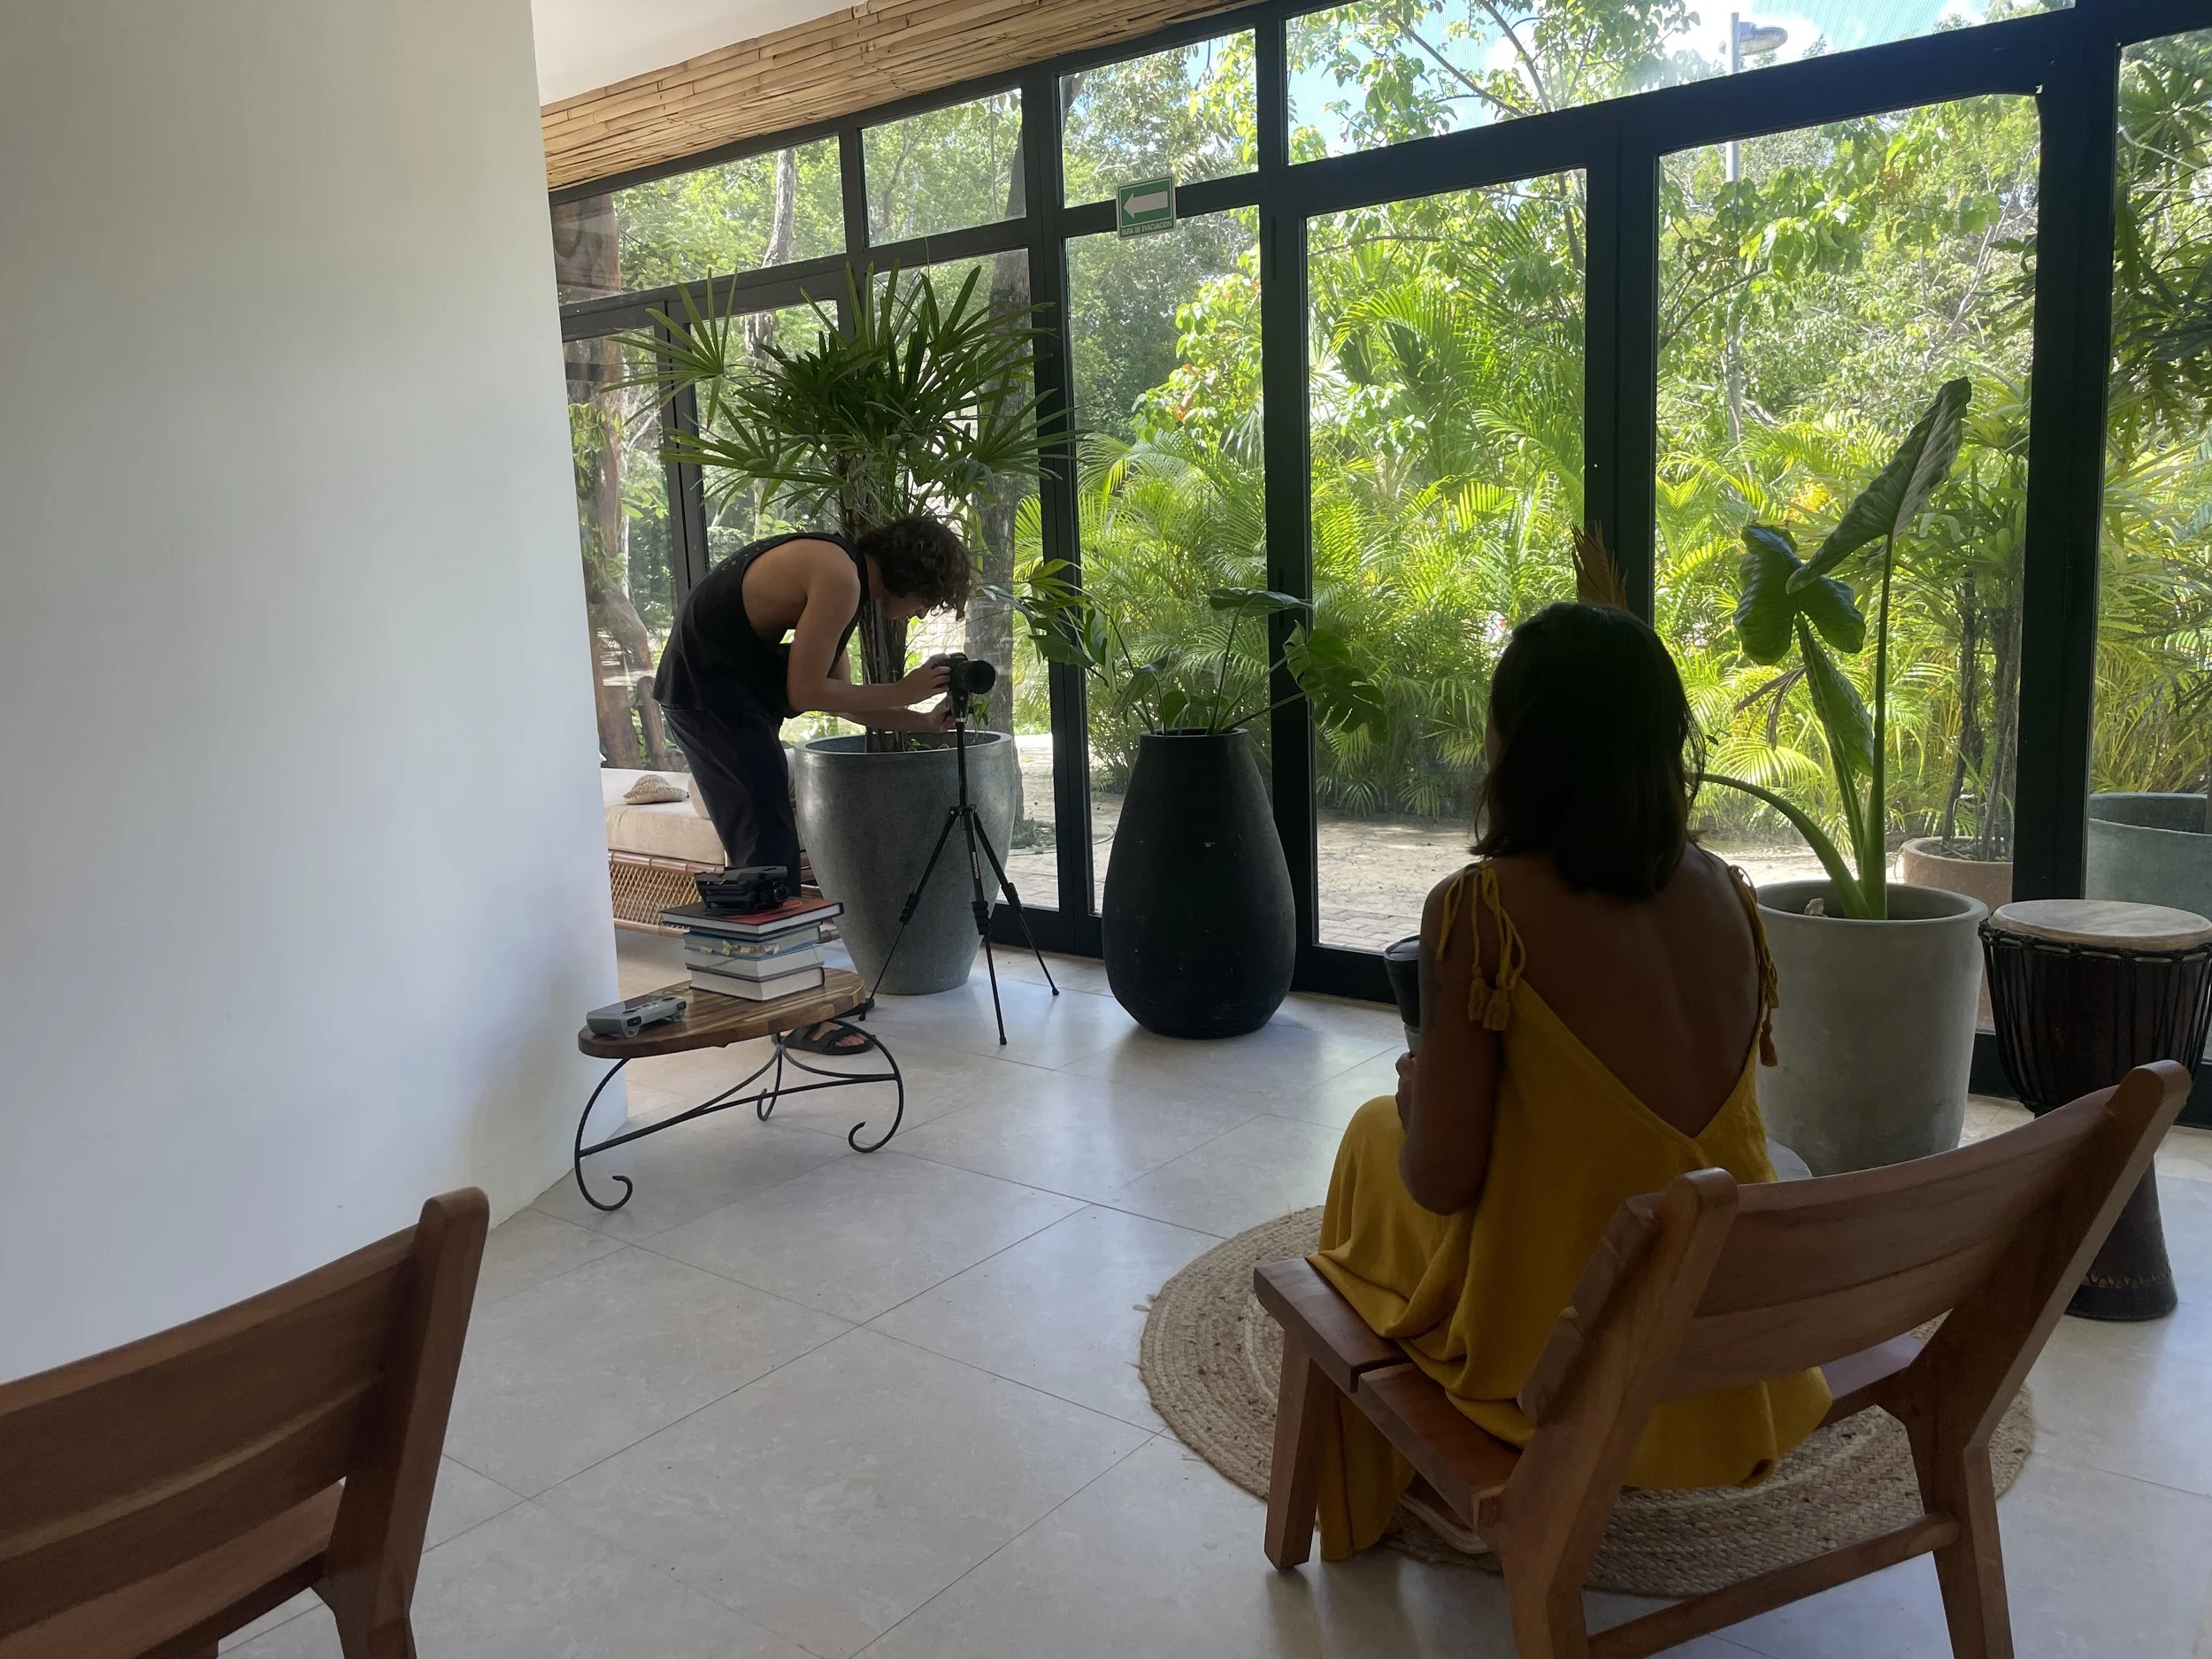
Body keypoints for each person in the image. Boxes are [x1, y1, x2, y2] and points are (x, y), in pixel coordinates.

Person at [1307, 603, 1829, 1560]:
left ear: (1514, 741)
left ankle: (1391, 1493)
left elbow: (1442, 1179)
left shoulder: (1483, 909)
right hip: (1721, 1315)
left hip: (1569, 1328)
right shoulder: (1725, 889)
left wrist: (1420, 1098)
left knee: (1371, 1136)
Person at [652, 514, 970, 1054]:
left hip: (724, 696)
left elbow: (841, 699)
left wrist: (922, 720)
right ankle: (789, 1013)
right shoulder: (839, 577)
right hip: (710, 697)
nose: (919, 612)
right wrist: (904, 688)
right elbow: (804, 693)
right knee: (766, 848)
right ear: (912, 574)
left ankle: (782, 996)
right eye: (926, 600)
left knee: (764, 847)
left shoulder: (843, 574)